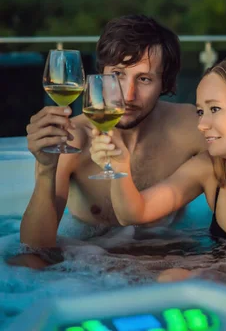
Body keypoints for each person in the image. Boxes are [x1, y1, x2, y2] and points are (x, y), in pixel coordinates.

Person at [89, 56, 226, 280]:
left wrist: (192, 278)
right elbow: (134, 213)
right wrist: (119, 165)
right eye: (200, 111)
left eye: (214, 109)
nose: (202, 125)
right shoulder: (210, 168)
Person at [17, 15, 206, 265]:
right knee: (23, 265)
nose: (127, 95)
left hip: (171, 256)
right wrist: (44, 168)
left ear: (165, 83)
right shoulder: (73, 138)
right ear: (101, 75)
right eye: (117, 75)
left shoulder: (191, 127)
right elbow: (36, 248)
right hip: (93, 263)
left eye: (144, 79)